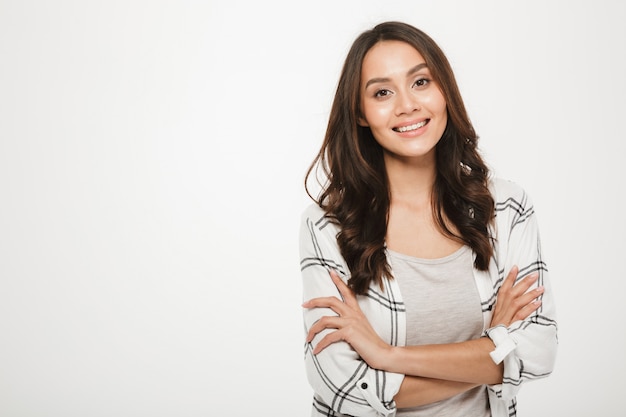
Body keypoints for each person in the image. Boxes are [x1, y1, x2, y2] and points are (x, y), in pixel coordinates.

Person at [299, 21, 557, 417]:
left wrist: (385, 355)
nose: (407, 105)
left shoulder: (506, 208)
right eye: (382, 92)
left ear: (444, 91)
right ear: (361, 112)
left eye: (421, 82)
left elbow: (538, 352)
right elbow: (344, 389)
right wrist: (493, 352)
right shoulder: (329, 226)